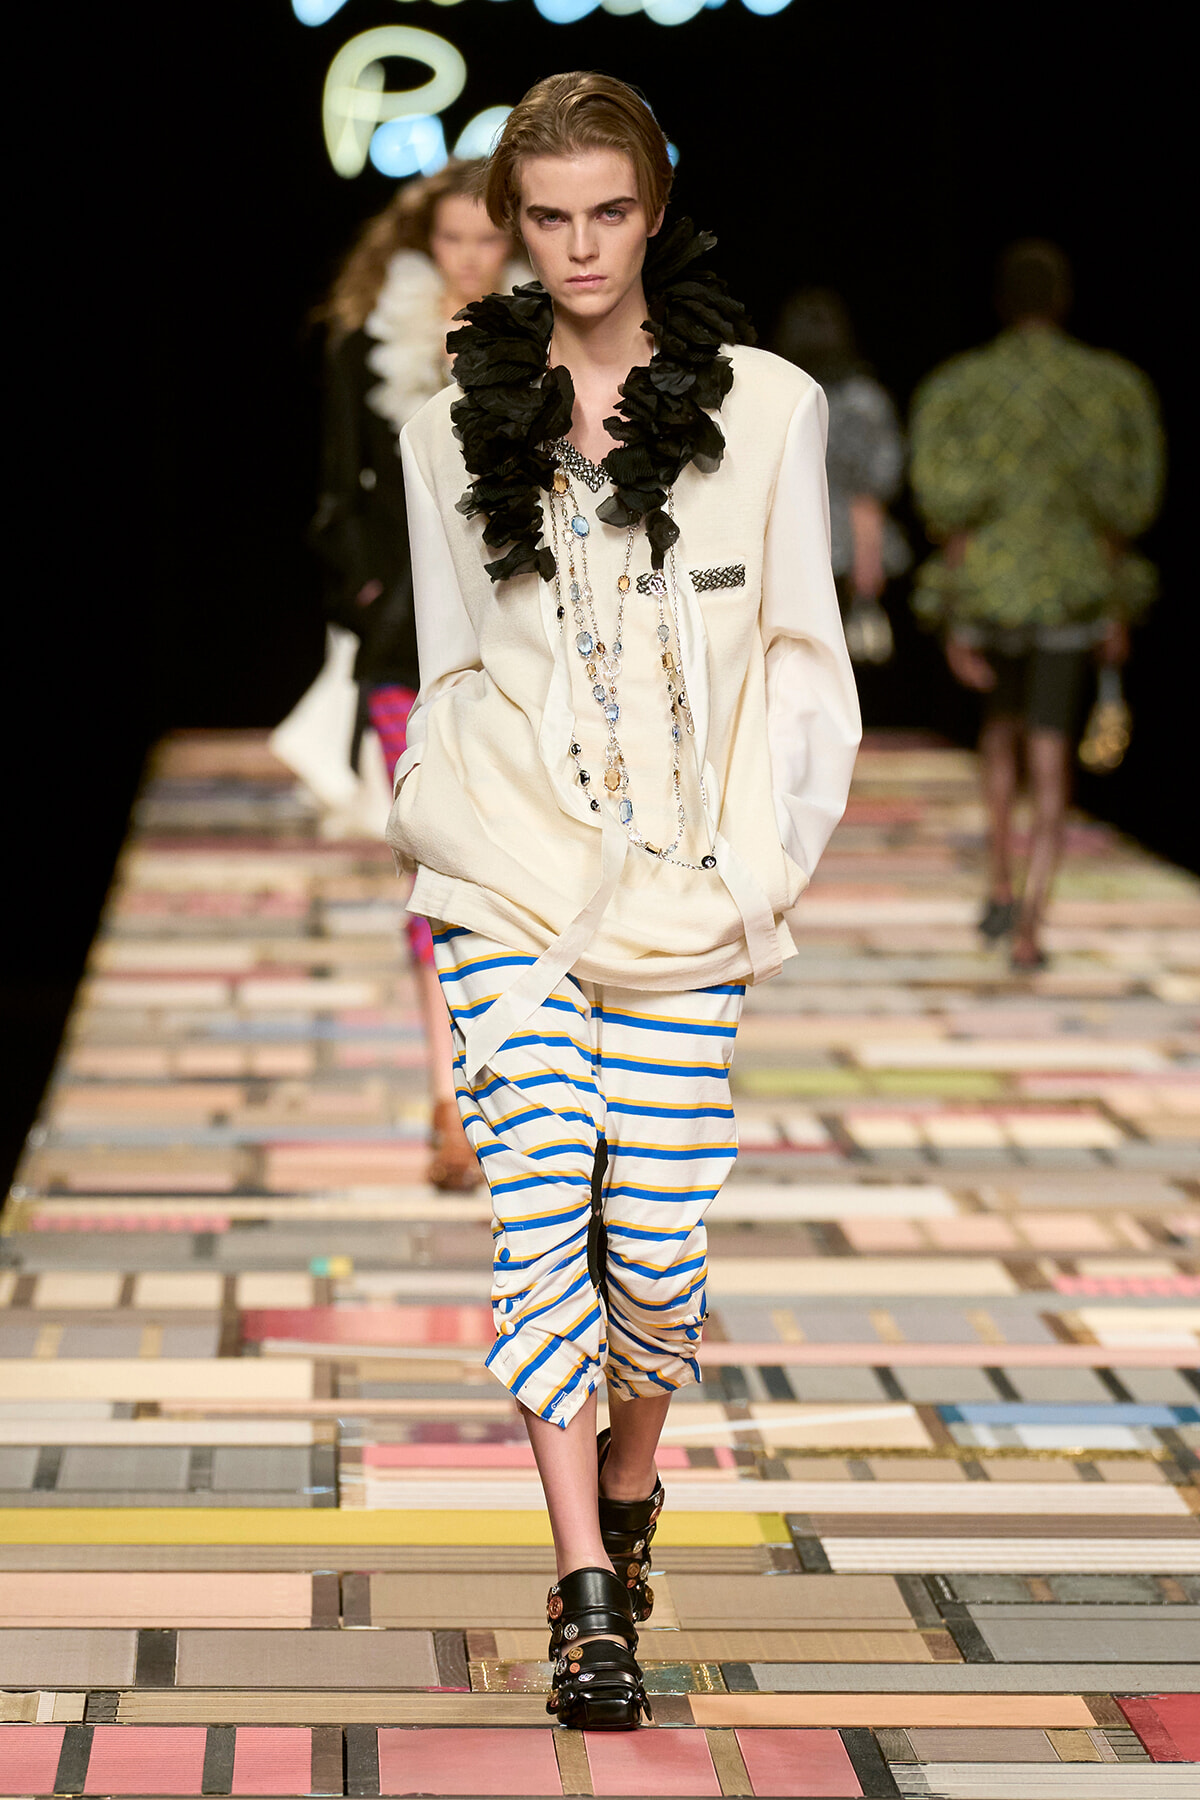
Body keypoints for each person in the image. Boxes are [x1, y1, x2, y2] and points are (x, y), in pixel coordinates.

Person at [386, 72, 859, 1727]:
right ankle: (590, 1586)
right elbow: (452, 653)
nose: (579, 249)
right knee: (543, 1201)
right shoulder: (446, 414)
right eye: (547, 220)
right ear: (514, 226)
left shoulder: (773, 410)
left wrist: (756, 867)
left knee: (653, 1248)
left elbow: (803, 656)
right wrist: (447, 819)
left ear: (652, 210)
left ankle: (636, 1491)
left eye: (608, 213)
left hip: (687, 894)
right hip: (506, 873)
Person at [274, 163, 525, 1190]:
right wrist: (370, 594)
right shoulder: (367, 342)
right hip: (404, 646)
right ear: (425, 242)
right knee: (435, 871)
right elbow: (338, 486)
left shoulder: (545, 344)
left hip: (521, 642)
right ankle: (450, 1101)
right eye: (452, 241)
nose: (470, 260)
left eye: (489, 241)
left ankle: (510, 1085)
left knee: (512, 870)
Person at [910, 241, 1164, 970]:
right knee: (1050, 753)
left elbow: (946, 509)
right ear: (1062, 301)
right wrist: (1117, 609)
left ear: (998, 302)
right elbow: (1126, 507)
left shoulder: (959, 388)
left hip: (989, 592)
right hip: (1071, 593)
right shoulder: (1112, 387)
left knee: (1000, 734)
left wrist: (954, 612)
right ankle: (1029, 923)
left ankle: (996, 883)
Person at [774, 287, 909, 664]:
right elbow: (871, 488)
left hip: (786, 544)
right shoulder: (864, 401)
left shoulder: (774, 394)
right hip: (844, 547)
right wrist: (870, 558)